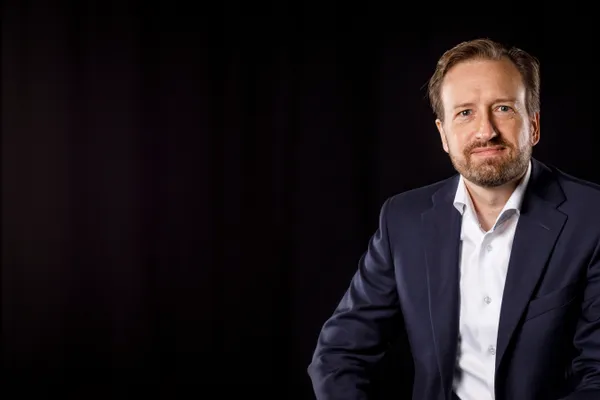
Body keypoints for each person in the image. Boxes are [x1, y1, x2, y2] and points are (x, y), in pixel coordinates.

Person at [307, 38, 600, 400]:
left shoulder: (592, 218)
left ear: (534, 125)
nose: (486, 131)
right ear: (443, 134)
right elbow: (338, 355)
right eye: (465, 113)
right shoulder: (403, 221)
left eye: (504, 108)